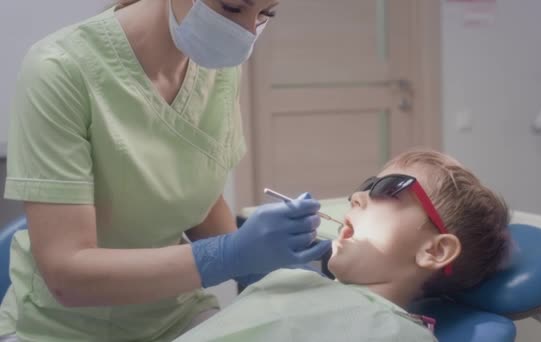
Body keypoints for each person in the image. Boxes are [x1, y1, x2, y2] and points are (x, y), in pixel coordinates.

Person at [0, 0, 332, 341]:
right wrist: (229, 254)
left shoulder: (217, 64)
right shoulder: (59, 69)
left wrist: (273, 271)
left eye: (266, 13)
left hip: (174, 317)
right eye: (233, 7)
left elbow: (192, 189)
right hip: (63, 329)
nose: (247, 32)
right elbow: (68, 277)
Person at [174, 149, 512, 342]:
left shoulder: (397, 334)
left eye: (390, 188)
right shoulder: (294, 281)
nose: (358, 196)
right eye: (368, 185)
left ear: (434, 250)